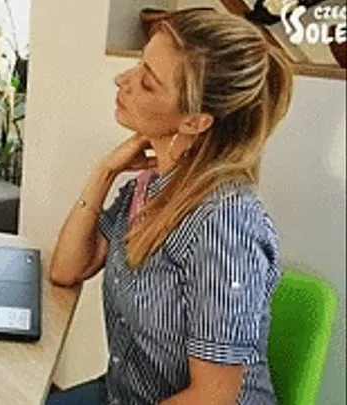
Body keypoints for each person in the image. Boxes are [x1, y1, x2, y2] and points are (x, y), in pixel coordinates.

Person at [47, 8, 293, 405]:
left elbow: (213, 397)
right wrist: (104, 172)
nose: (121, 81)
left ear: (194, 121)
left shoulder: (224, 225)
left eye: (146, 82)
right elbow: (68, 269)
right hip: (125, 394)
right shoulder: (153, 186)